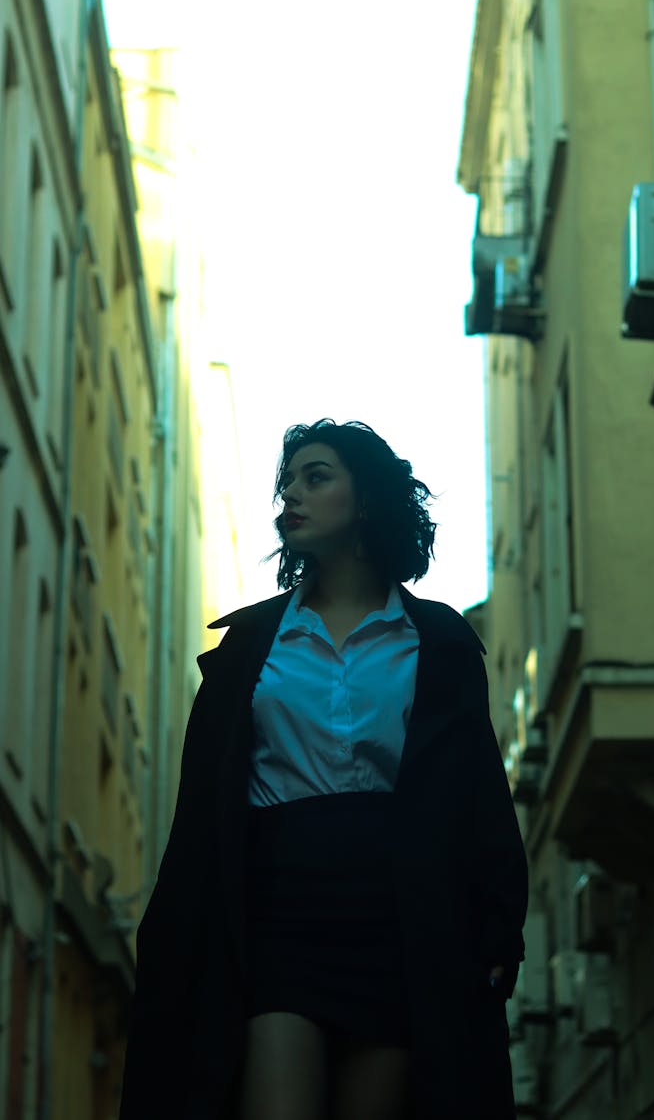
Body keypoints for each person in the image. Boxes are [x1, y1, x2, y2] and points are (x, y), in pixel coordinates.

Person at [118, 419, 528, 1120]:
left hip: (398, 917)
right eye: (287, 483)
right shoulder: (250, 642)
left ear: (365, 497)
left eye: (315, 477)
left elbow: (477, 793)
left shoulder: (438, 639)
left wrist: (496, 925)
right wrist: (169, 939)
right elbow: (200, 810)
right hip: (277, 913)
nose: (290, 497)